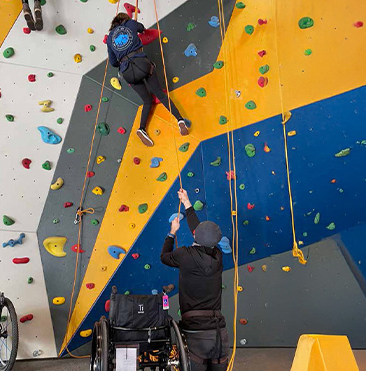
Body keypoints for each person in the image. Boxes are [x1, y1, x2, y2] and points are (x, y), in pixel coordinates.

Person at [161, 189, 229, 370]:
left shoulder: (185, 255)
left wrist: (172, 233)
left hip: (195, 332)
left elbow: (164, 256)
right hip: (219, 333)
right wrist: (186, 202)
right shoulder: (217, 256)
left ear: (194, 236)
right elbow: (199, 232)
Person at [106, 13, 189, 147]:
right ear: (124, 20)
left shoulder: (110, 38)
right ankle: (180, 121)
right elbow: (142, 28)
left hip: (127, 72)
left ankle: (142, 129)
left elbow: (113, 62)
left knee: (147, 101)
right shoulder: (130, 24)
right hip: (141, 64)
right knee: (161, 96)